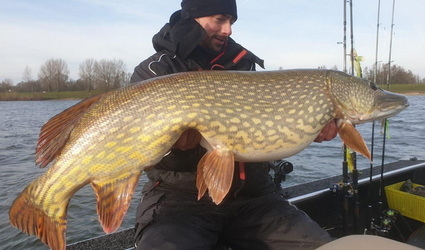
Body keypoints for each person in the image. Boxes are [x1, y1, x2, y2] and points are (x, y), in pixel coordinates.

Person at [130, 0, 338, 249]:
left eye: (231, 21)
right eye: (219, 19)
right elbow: (139, 152)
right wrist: (178, 150)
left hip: (255, 197)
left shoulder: (243, 64)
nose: (228, 30)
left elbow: (262, 126)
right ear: (192, 18)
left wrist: (308, 125)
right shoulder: (155, 71)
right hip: (178, 200)